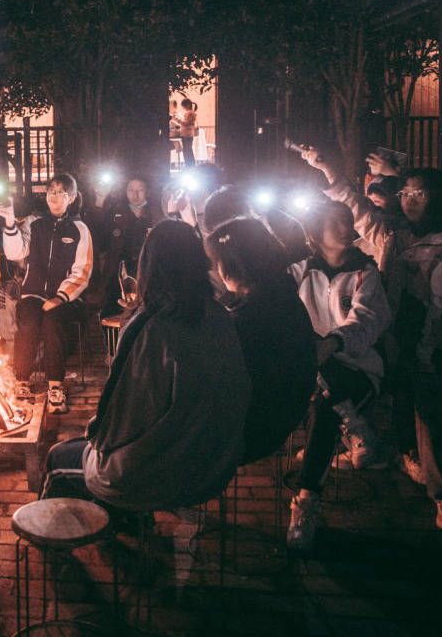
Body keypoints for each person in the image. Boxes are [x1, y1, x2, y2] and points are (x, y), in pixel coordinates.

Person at [304, 149, 442, 531]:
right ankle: (400, 455)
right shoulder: (395, 237)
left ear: (440, 199)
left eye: (420, 193)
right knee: (398, 402)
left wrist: (428, 353)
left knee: (431, 416)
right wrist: (328, 169)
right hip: (396, 341)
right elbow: (357, 212)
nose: (410, 200)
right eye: (406, 193)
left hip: (430, 350)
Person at [41, 221, 250, 512]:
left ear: (148, 266)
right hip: (214, 463)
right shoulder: (219, 315)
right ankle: (125, 518)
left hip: (162, 472)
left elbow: (119, 424)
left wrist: (94, 434)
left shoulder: (153, 327)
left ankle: (94, 528)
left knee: (59, 457)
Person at [285, 200, 393, 549]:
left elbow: (366, 323)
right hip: (310, 369)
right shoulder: (298, 271)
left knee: (325, 407)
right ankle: (356, 428)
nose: (346, 228)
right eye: (336, 222)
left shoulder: (366, 273)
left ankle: (305, 504)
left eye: (348, 221)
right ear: (315, 232)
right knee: (325, 401)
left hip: (358, 371)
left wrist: (331, 343)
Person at [204, 217, 317, 464]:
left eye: (217, 262)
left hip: (253, 429)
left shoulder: (253, 316)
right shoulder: (281, 296)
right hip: (284, 416)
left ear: (233, 265)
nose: (216, 271)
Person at [0, 173, 93, 414]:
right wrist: (9, 222)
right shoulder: (34, 223)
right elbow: (15, 253)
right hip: (33, 293)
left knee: (52, 323)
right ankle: (22, 381)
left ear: (71, 198)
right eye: (51, 191)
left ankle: (55, 388)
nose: (54, 196)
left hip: (67, 298)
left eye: (60, 192)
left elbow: (83, 270)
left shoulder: (80, 229)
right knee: (28, 320)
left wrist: (60, 297)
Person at [87, 175, 163, 319]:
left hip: (148, 275)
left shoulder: (155, 214)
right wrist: (100, 200)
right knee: (110, 314)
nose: (135, 194)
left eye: (140, 190)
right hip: (117, 276)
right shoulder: (116, 212)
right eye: (131, 189)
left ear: (147, 191)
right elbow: (97, 237)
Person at [177, 98, 199, 166]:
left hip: (187, 135)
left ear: (188, 105)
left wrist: (179, 120)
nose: (183, 108)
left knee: (187, 150)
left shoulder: (190, 113)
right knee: (187, 150)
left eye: (184, 106)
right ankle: (189, 164)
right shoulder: (189, 113)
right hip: (186, 134)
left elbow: (187, 123)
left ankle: (190, 164)